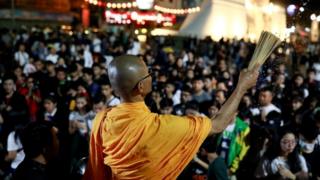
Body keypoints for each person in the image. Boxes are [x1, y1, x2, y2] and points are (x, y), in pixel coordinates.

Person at [84, 55, 259, 179]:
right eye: (149, 73)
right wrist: (242, 86)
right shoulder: (160, 126)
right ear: (141, 87)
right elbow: (218, 124)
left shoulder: (102, 119)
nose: (152, 75)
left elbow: (96, 170)